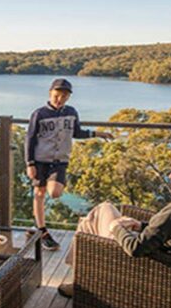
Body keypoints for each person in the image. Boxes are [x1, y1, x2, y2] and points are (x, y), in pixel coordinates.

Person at [57, 147, 171, 298]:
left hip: (143, 264)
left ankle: (80, 281)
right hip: (164, 257)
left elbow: (136, 249)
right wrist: (141, 225)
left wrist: (116, 228)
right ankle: (80, 279)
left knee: (97, 214)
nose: (170, 176)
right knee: (95, 217)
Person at [25, 78, 113, 251]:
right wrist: (30, 163)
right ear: (50, 93)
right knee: (39, 193)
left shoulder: (72, 112)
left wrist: (98, 133)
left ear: (68, 97)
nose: (60, 99)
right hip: (41, 159)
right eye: (57, 95)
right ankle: (42, 231)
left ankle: (38, 223)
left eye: (64, 96)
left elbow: (77, 132)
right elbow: (29, 139)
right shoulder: (39, 114)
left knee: (55, 192)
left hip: (60, 161)